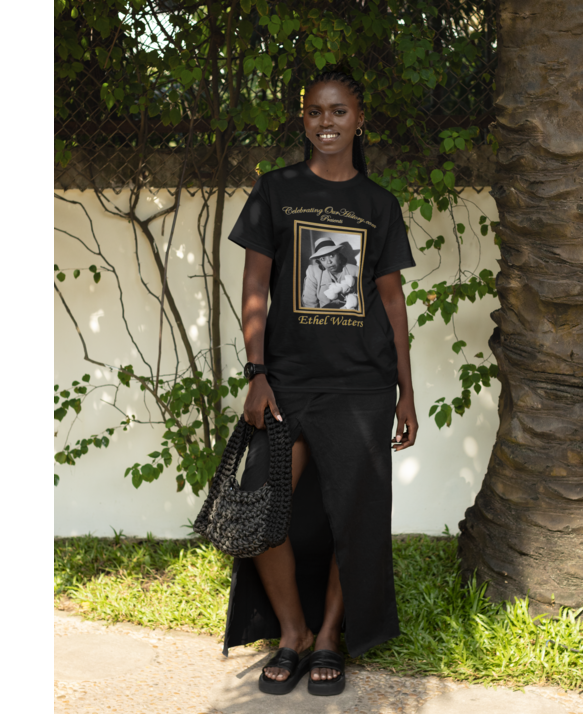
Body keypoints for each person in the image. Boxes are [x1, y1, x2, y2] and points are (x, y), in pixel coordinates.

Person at [224, 69, 418, 697]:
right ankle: (293, 632)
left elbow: (392, 303)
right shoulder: (276, 191)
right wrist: (257, 373)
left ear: (359, 119)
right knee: (260, 506)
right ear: (303, 118)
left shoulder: (378, 205)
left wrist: (406, 392)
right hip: (287, 380)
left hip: (362, 385)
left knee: (354, 517)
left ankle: (331, 634)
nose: (325, 122)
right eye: (314, 111)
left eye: (337, 111)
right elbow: (255, 286)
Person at [302, 238, 360, 309]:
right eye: (323, 259)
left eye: (331, 256)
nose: (329, 262)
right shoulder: (313, 272)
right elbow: (309, 304)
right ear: (319, 262)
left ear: (339, 255)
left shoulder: (355, 271)